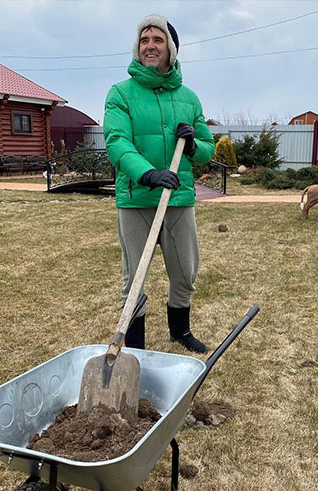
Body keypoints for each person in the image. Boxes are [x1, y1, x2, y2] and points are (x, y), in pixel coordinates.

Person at [103, 14, 215, 354]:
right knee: (134, 280)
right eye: (144, 40)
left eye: (158, 39)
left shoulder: (189, 98)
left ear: (172, 49)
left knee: (185, 271)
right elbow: (116, 142)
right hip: (137, 200)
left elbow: (207, 149)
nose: (150, 45)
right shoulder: (120, 94)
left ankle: (179, 331)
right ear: (137, 49)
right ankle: (134, 345)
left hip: (178, 200)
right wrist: (148, 174)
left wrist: (193, 145)